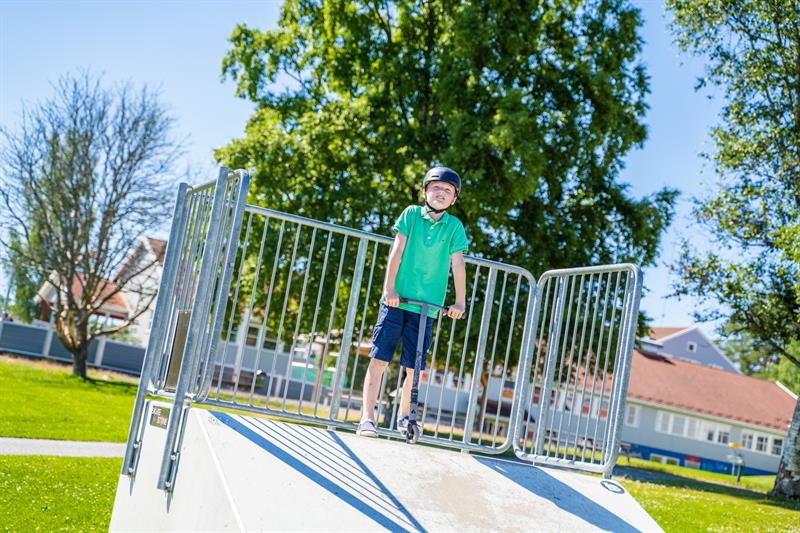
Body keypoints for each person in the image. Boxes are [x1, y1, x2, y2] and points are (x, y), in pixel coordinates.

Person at [357, 166, 468, 438]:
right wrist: (389, 288)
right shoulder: (410, 215)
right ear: (424, 191)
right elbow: (398, 250)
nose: (441, 193)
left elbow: (458, 264)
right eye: (436, 188)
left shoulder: (454, 226)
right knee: (379, 359)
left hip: (426, 308)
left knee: (413, 368)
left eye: (447, 190)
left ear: (454, 199)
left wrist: (460, 302)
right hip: (397, 302)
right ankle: (367, 418)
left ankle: (405, 417)